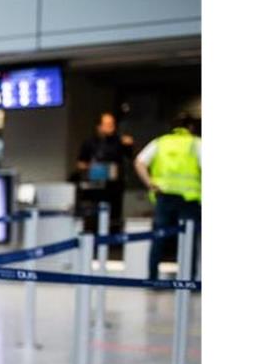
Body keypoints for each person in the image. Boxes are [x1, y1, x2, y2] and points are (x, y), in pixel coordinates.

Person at [134, 113, 201, 280]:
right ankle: (188, 279)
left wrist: (150, 183)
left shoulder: (160, 142)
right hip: (189, 199)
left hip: (163, 197)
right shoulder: (195, 143)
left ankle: (152, 278)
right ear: (191, 127)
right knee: (188, 240)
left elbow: (139, 162)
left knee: (158, 238)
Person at [76, 112, 133, 233]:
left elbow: (131, 157)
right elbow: (80, 163)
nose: (111, 127)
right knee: (95, 214)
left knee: (113, 214)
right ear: (99, 126)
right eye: (107, 124)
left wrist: (129, 145)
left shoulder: (119, 141)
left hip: (114, 186)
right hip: (96, 185)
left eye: (112, 124)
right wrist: (92, 167)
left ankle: (112, 239)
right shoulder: (89, 142)